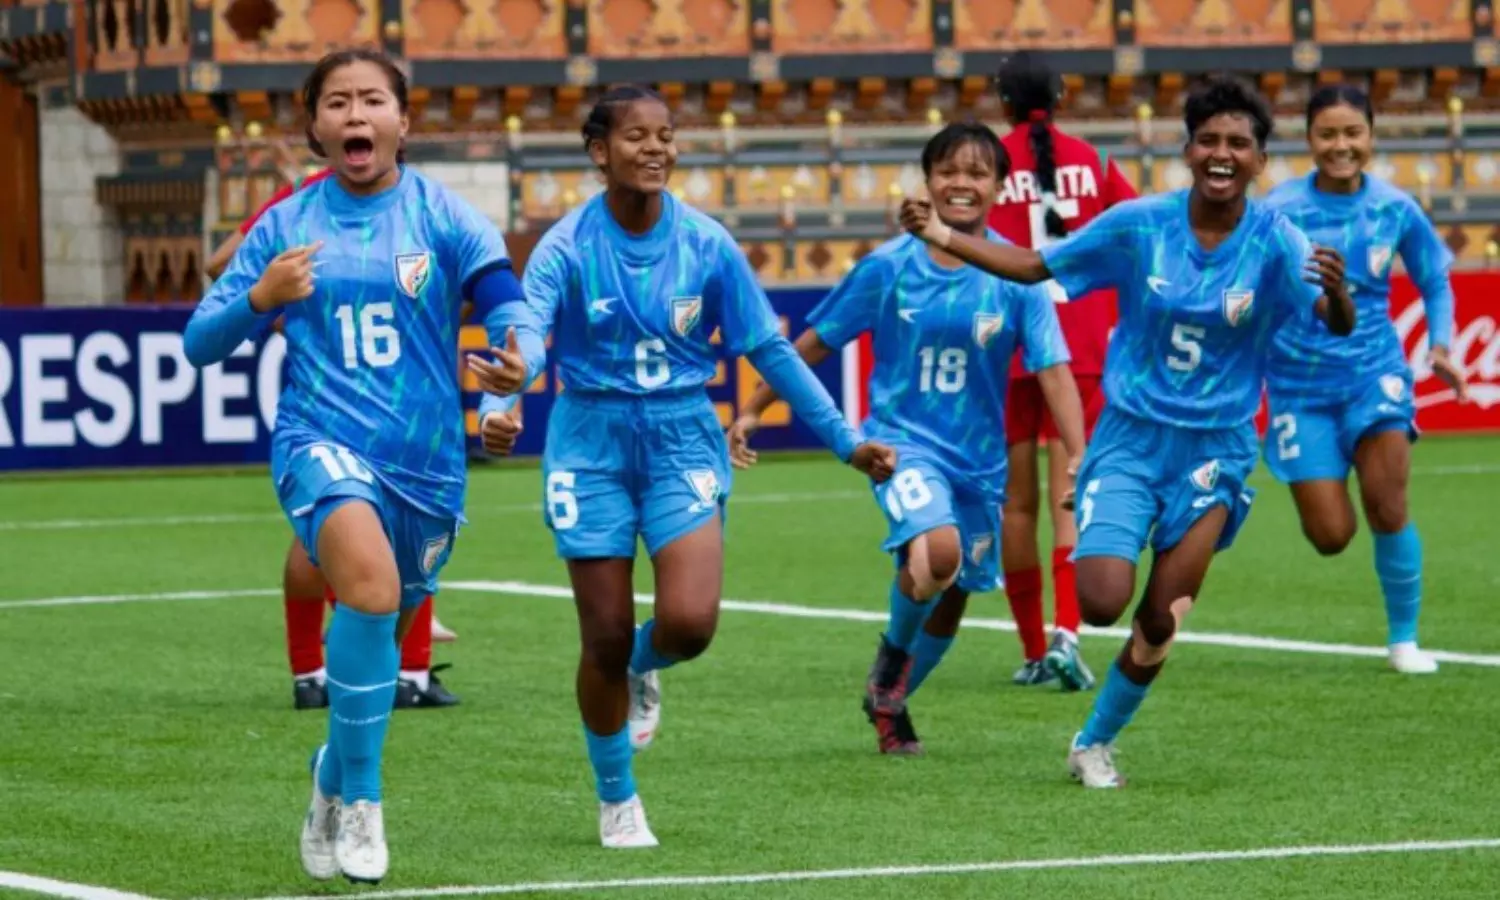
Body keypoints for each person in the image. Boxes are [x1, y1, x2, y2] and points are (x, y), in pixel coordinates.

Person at [899, 75, 1354, 788]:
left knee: (1163, 615)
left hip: (1218, 450)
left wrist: (1337, 294)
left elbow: (1333, 322)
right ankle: (1099, 579)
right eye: (1209, 140)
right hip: (1131, 438)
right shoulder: (1141, 223)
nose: (1222, 153)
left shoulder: (1277, 239)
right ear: (1188, 150)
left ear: (1262, 160)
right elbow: (1033, 265)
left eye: (1239, 142)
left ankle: (1094, 741)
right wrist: (939, 233)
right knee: (1104, 599)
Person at [474, 84, 896, 849]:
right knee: (599, 636)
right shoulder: (566, 246)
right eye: (637, 137)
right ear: (600, 153)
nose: (656, 149)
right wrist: (504, 400)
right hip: (589, 444)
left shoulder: (707, 244)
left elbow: (768, 348)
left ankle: (642, 666)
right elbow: (526, 334)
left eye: (666, 135)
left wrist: (844, 439)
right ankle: (617, 800)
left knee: (691, 625)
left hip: (680, 439)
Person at [184, 48, 539, 882]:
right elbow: (201, 342)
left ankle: (329, 776)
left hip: (425, 467)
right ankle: (366, 802)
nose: (355, 115)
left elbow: (510, 311)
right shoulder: (283, 225)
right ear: (314, 126)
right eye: (336, 102)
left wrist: (508, 386)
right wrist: (258, 299)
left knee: (384, 616)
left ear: (402, 122)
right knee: (371, 591)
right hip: (318, 441)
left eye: (372, 100)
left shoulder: (450, 219)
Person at [727, 122, 1085, 755]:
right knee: (938, 557)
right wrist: (754, 407)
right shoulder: (889, 267)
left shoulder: (1015, 276)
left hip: (978, 464)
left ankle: (888, 696)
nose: (961, 184)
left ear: (1000, 187)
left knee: (944, 594)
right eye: (948, 171)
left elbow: (1054, 372)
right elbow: (812, 342)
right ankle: (893, 674)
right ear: (929, 181)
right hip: (900, 447)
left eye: (977, 173)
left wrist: (1079, 455)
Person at [206, 150, 459, 712]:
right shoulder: (306, 197)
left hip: (395, 398)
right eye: (344, 101)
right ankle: (371, 674)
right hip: (339, 393)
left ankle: (355, 673)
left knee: (395, 522)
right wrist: (276, 310)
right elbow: (221, 263)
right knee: (332, 531)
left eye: (374, 101)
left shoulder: (420, 202)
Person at [1261, 84, 1468, 674]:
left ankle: (1404, 638)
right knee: (1330, 535)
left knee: (1388, 504)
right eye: (1328, 134)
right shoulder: (1280, 210)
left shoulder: (1396, 208)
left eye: (1353, 133)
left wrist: (1442, 344)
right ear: (1309, 140)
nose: (1341, 145)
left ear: (1371, 137)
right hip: (1299, 389)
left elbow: (1435, 280)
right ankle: (1329, 475)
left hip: (1375, 375)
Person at [987, 51, 1139, 691]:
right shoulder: (1098, 164)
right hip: (1080, 351)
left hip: (1005, 349)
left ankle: (1029, 651)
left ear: (1002, 100)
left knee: (1015, 508)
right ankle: (1067, 638)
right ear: (1064, 92)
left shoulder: (985, 163)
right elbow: (1142, 235)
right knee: (1069, 497)